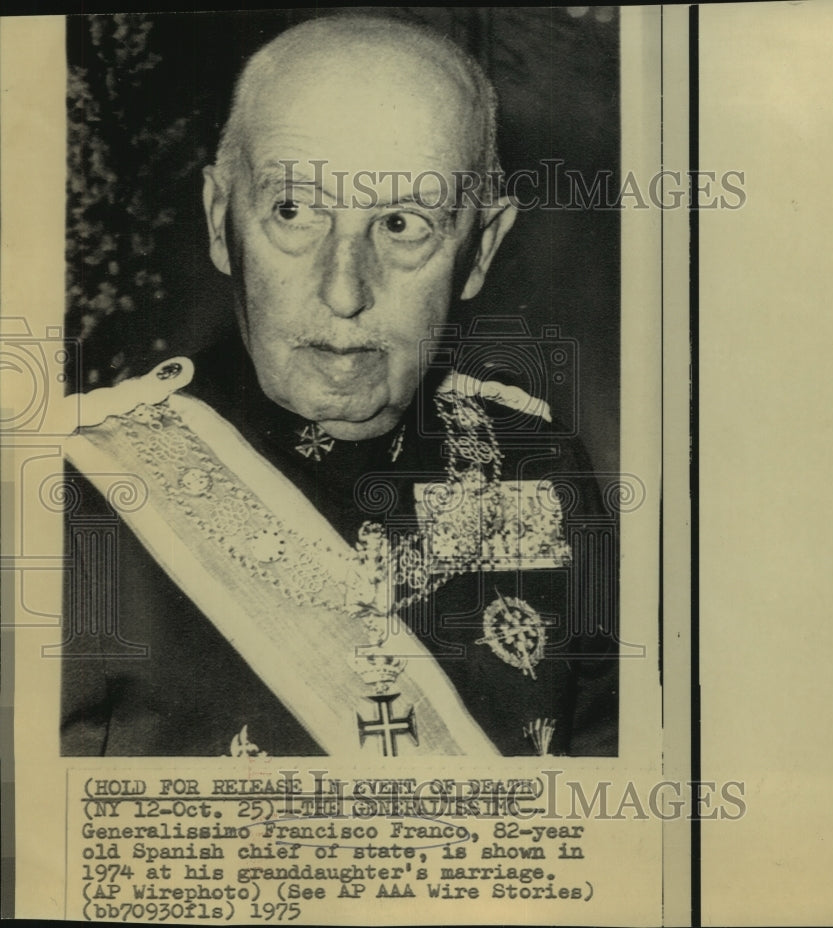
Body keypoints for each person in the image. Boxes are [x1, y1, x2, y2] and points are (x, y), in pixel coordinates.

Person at [60, 14, 618, 758]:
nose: (344, 290)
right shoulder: (74, 491)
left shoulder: (538, 461)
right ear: (219, 220)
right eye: (292, 212)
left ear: (480, 250)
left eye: (401, 224)